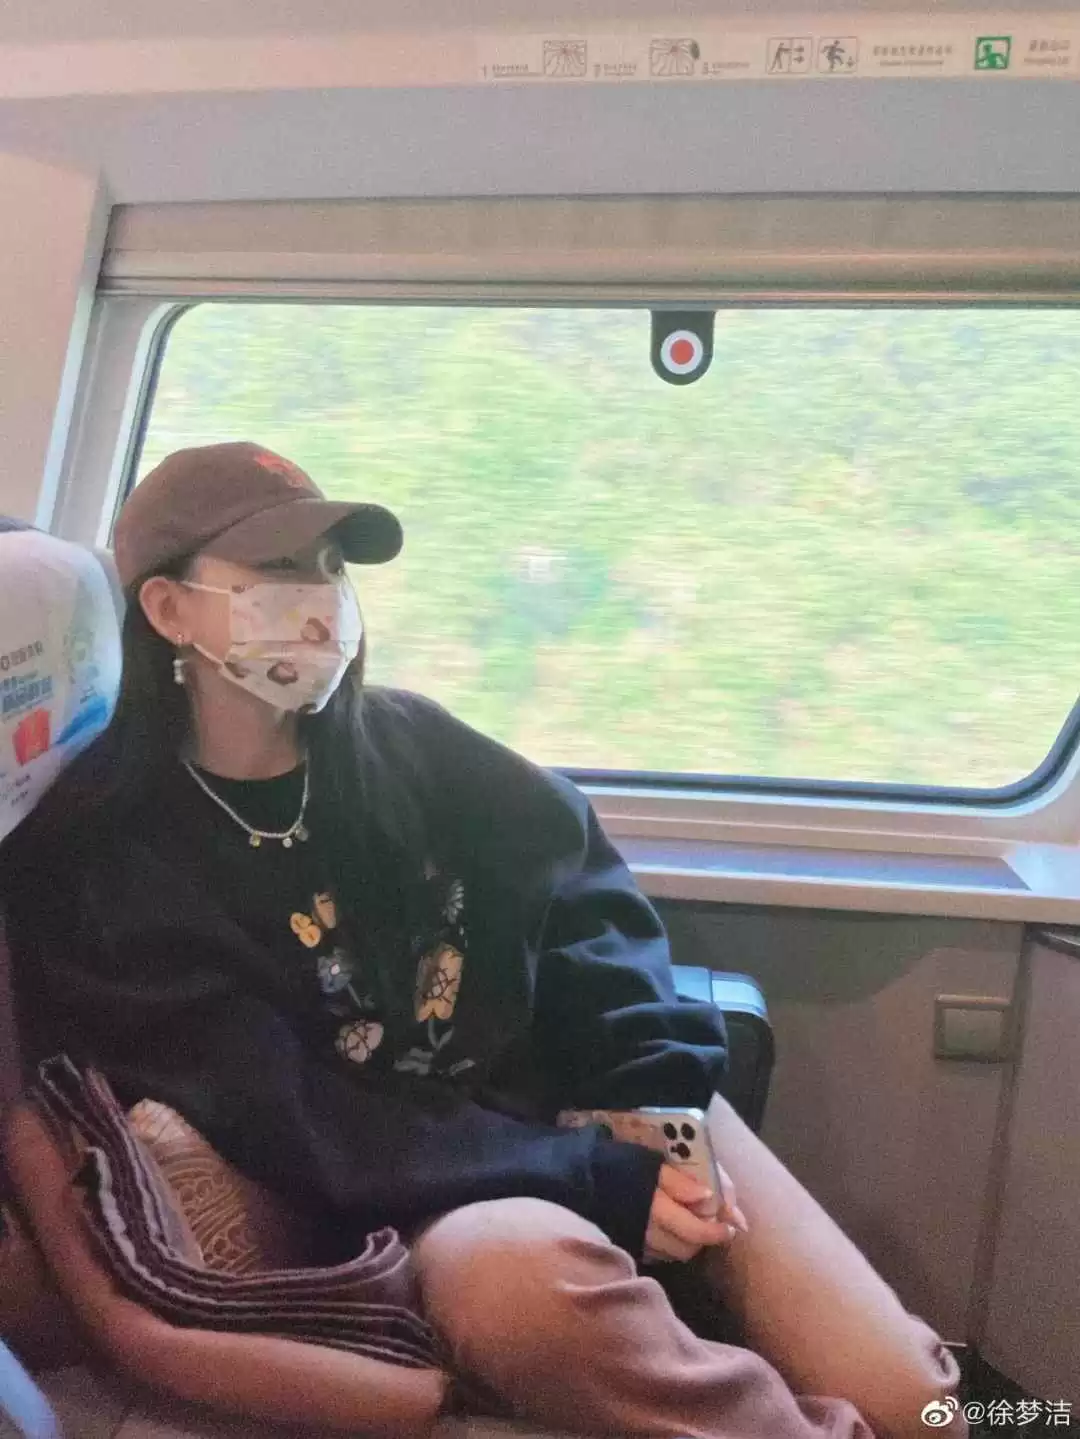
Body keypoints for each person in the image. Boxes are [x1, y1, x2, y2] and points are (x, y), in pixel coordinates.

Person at [1, 444, 963, 1439]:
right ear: (168, 609)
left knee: (918, 1403)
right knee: (525, 1288)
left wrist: (647, 1094)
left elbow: (581, 892)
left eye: (330, 565)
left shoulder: (408, 744)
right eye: (280, 568)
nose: (322, 597)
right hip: (427, 1183)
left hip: (581, 1098)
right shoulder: (112, 862)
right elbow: (301, 1117)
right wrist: (587, 1174)